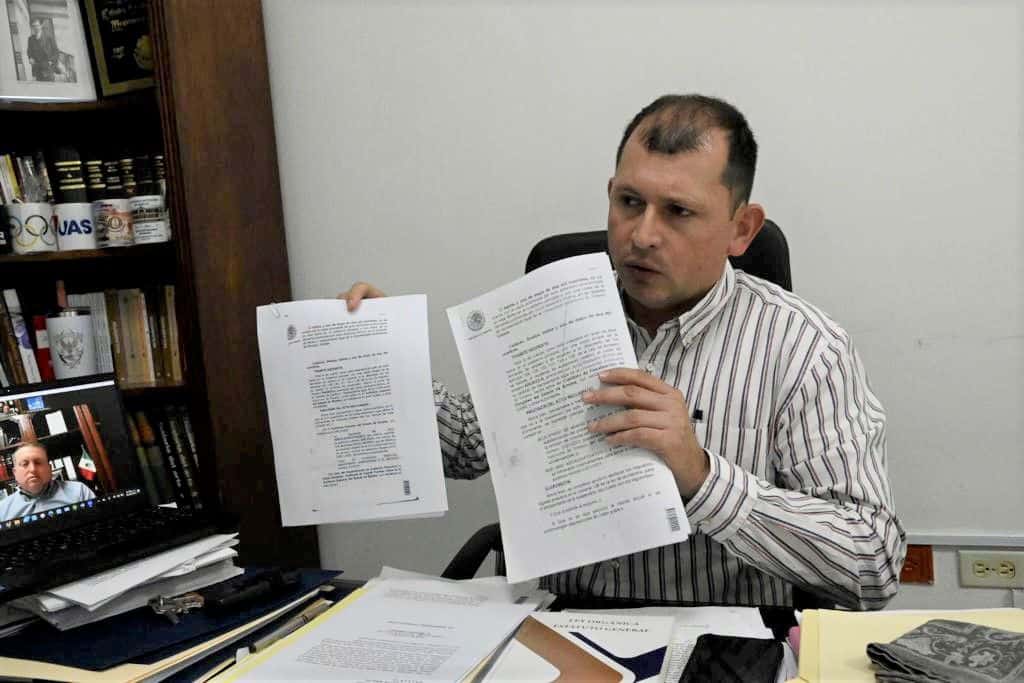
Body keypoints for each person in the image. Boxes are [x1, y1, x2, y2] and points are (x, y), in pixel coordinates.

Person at [340, 94, 906, 609]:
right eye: (629, 202)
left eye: (678, 211)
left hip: (721, 643)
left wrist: (703, 478)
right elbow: (470, 446)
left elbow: (872, 562)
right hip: (561, 632)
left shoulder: (805, 349)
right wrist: (387, 366)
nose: (641, 235)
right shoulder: (551, 316)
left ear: (741, 229)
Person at [0, 443, 95, 521]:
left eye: (38, 463)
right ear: (15, 473)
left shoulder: (79, 491)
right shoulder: (2, 509)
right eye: (25, 464)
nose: (32, 469)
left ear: (50, 469)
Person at [26, 17, 61, 82]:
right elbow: (29, 51)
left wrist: (51, 61)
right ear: (32, 27)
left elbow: (56, 52)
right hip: (37, 68)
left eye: (37, 25)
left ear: (41, 26)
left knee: (50, 84)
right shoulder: (30, 39)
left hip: (48, 67)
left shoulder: (49, 37)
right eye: (33, 26)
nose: (36, 28)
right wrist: (30, 58)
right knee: (40, 85)